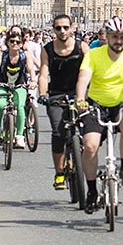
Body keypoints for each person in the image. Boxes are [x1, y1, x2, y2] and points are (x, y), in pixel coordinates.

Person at [76, 18, 123, 209]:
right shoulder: (93, 55)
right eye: (114, 36)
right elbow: (83, 79)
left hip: (122, 104)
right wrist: (80, 99)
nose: (118, 41)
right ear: (107, 36)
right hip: (96, 104)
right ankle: (91, 190)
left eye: (122, 37)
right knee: (90, 146)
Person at [37, 14, 88, 190]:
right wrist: (43, 93)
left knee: (88, 132)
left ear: (71, 27)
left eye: (65, 27)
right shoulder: (48, 49)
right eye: (58, 28)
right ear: (54, 30)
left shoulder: (82, 47)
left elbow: (91, 72)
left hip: (79, 94)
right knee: (58, 133)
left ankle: (81, 159)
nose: (62, 31)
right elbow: (43, 74)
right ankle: (59, 172)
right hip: (56, 94)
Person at [0, 28, 32, 149]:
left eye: (18, 42)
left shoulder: (25, 55)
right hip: (3, 85)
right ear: (7, 42)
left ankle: (19, 135)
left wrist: (33, 80)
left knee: (19, 105)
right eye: (12, 41)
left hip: (20, 85)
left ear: (22, 44)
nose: (15, 44)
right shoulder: (2, 54)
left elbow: (30, 69)